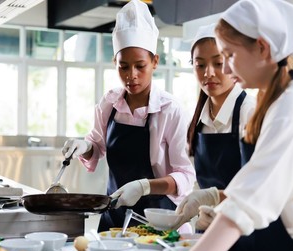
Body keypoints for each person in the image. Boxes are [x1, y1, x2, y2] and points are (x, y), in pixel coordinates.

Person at [181, 0, 293, 251]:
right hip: (269, 240)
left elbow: (251, 199)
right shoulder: (270, 102)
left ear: (263, 48)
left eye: (229, 56)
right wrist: (218, 201)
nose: (227, 69)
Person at [61, 0, 196, 232]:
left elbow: (185, 176)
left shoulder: (170, 110)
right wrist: (83, 146)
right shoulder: (110, 102)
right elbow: (97, 145)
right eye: (123, 67)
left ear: (155, 62)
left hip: (158, 220)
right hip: (114, 216)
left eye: (140, 66)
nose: (131, 76)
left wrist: (144, 186)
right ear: (115, 62)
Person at [174, 23, 256, 231]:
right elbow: (195, 182)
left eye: (218, 63)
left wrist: (213, 199)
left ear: (231, 63)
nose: (208, 73)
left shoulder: (250, 112)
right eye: (200, 65)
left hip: (245, 228)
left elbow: (259, 187)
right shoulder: (196, 122)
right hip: (208, 225)